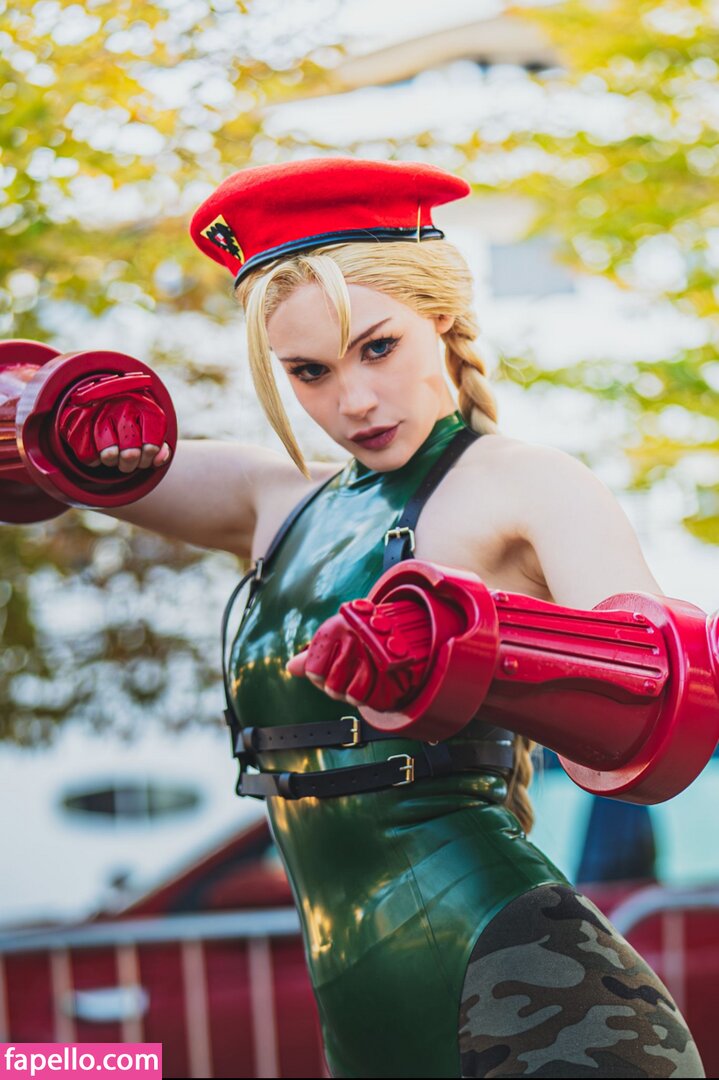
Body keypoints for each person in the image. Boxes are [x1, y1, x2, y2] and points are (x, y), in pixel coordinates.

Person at [71, 158, 707, 1077]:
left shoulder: (523, 483)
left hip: (535, 994)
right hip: (362, 1019)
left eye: (378, 348)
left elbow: (658, 692)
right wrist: (71, 427)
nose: (353, 401)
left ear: (438, 316)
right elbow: (70, 462)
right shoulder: (280, 500)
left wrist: (467, 650)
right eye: (310, 372)